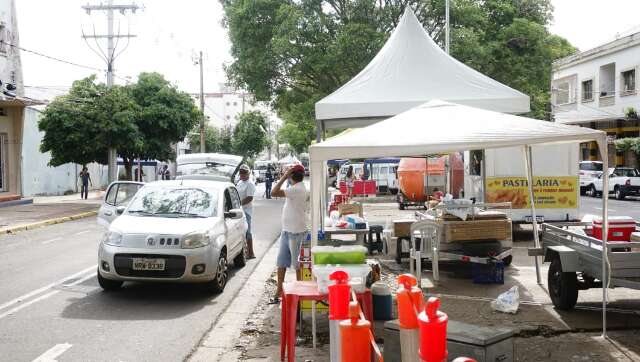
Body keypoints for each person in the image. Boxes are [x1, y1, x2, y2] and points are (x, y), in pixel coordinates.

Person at [271, 164, 308, 303]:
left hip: (296, 233)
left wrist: (284, 176)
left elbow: (274, 192)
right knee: (281, 262)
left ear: (292, 176)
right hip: (287, 231)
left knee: (297, 265)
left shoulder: (297, 189)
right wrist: (288, 175)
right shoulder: (296, 188)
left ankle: (301, 294)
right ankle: (279, 291)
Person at [236, 165, 256, 259]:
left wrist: (239, 203)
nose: (242, 174)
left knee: (248, 231)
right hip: (239, 210)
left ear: (248, 173)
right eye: (241, 172)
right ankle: (244, 251)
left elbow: (249, 198)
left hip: (246, 211)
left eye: (244, 172)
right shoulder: (240, 182)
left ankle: (251, 252)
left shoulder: (250, 183)